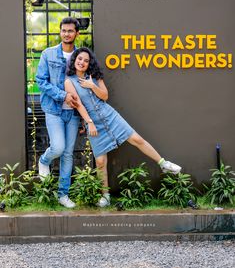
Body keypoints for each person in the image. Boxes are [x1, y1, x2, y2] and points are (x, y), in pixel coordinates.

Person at [65, 47, 182, 208]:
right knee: (100, 161)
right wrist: (89, 122)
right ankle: (105, 196)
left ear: (89, 63)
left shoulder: (95, 76)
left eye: (86, 60)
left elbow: (105, 96)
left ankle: (163, 164)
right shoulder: (69, 81)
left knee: (136, 139)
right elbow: (78, 105)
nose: (82, 62)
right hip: (93, 122)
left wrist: (92, 85)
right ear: (74, 60)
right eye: (79, 59)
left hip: (109, 115)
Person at [36, 17, 81, 208]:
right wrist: (63, 96)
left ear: (76, 33)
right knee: (58, 148)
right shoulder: (48, 54)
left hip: (74, 113)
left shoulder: (82, 55)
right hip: (54, 109)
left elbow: (86, 83)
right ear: (60, 32)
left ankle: (63, 194)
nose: (66, 34)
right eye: (64, 30)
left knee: (68, 154)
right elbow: (41, 81)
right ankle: (44, 160)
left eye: (70, 31)